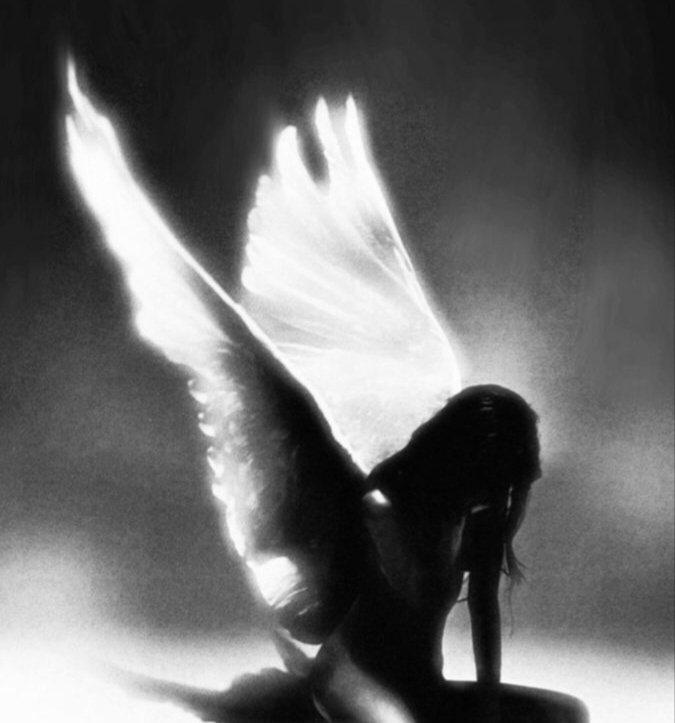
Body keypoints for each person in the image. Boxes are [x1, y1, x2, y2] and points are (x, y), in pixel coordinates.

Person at [310, 384, 541, 722]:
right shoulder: (384, 503)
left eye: (506, 487)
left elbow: (483, 609)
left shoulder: (480, 510)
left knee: (562, 714)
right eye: (496, 482)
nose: (500, 496)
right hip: (356, 673)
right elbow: (420, 589)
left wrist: (489, 704)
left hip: (423, 681)